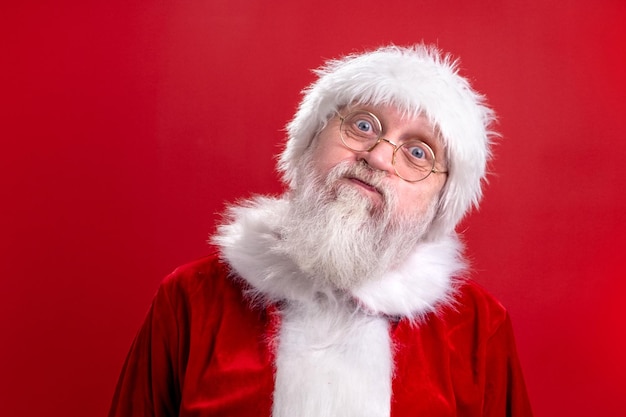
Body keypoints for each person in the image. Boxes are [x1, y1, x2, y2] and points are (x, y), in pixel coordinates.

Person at [108, 44, 533, 417]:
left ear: (439, 202)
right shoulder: (190, 299)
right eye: (363, 125)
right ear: (310, 140)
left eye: (417, 153)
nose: (380, 157)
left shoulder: (478, 326)